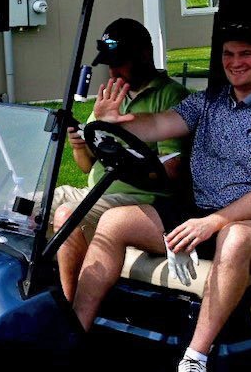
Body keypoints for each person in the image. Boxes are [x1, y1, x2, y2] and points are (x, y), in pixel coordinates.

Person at [71, 21, 251, 372]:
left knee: (234, 240)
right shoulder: (209, 101)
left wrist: (213, 222)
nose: (236, 62)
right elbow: (158, 124)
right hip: (200, 212)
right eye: (229, 54)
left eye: (246, 54)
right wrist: (110, 122)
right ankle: (74, 339)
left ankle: (194, 360)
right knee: (114, 221)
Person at [51, 18, 191, 301]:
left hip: (139, 199)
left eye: (120, 62)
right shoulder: (114, 95)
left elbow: (171, 173)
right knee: (24, 205)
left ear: (143, 55)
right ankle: (29, 290)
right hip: (97, 190)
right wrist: (79, 145)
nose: (113, 71)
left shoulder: (171, 97)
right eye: (110, 64)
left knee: (67, 216)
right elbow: (86, 166)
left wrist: (122, 155)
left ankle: (66, 308)